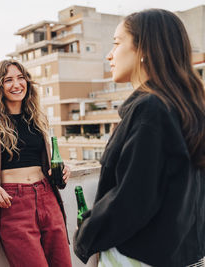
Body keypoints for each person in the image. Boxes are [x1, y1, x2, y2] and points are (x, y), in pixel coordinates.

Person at [73, 9, 205, 267]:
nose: (109, 55)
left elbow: (133, 198)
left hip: (141, 257)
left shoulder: (151, 110)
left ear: (144, 48)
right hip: (186, 254)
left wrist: (85, 235)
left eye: (116, 43)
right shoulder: (187, 107)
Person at [0, 59, 72, 267]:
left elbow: (42, 160)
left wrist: (62, 170)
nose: (16, 84)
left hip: (48, 197)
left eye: (21, 78)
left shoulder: (37, 119)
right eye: (8, 80)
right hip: (12, 203)